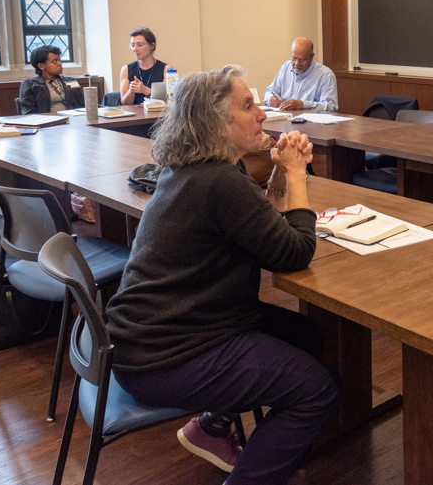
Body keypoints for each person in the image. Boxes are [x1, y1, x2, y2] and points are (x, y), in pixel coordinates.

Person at [105, 68, 340, 485]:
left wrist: (279, 172)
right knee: (315, 392)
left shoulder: (193, 169)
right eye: (247, 106)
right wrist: (298, 174)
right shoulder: (219, 182)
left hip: (148, 335)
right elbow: (294, 252)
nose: (262, 114)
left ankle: (213, 427)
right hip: (167, 356)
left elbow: (258, 221)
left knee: (307, 335)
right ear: (215, 122)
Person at [264, 37, 338, 112]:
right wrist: (270, 99)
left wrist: (303, 104)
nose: (296, 63)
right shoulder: (286, 67)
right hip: (285, 118)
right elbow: (270, 91)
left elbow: (331, 107)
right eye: (294, 58)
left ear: (311, 57)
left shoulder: (325, 75)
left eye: (302, 60)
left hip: (311, 122)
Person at [18, 45, 85, 114]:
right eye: (54, 61)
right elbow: (28, 112)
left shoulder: (71, 81)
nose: (60, 63)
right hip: (46, 122)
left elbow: (82, 106)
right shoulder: (30, 84)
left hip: (72, 121)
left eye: (59, 60)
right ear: (41, 66)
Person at [119, 27, 167, 105]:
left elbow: (167, 100)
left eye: (140, 45)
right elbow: (124, 103)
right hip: (135, 115)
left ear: (152, 46)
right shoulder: (126, 69)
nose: (135, 49)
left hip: (158, 115)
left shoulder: (166, 69)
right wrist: (131, 91)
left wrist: (146, 90)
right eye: (133, 45)